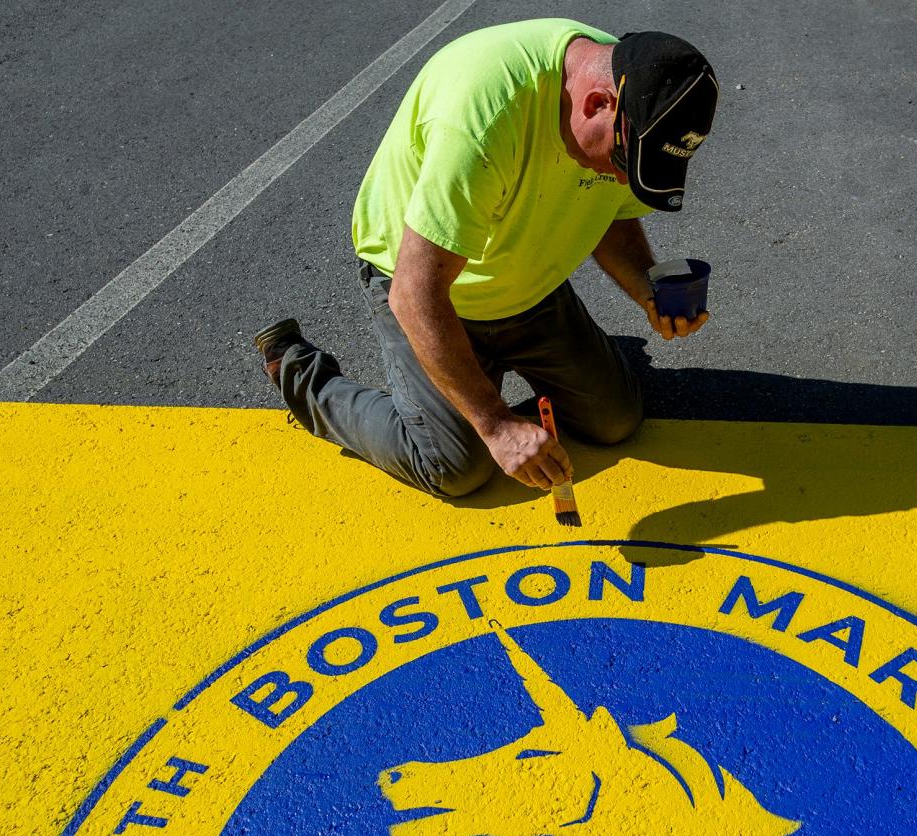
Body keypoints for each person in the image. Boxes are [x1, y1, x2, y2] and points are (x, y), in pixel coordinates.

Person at [254, 19, 718, 498]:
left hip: (528, 279)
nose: (623, 180)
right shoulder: (482, 117)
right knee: (456, 467)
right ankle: (307, 380)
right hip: (431, 289)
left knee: (615, 421)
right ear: (596, 103)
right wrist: (496, 424)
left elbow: (613, 214)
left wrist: (646, 287)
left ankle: (487, 363)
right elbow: (415, 294)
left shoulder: (631, 91)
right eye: (625, 163)